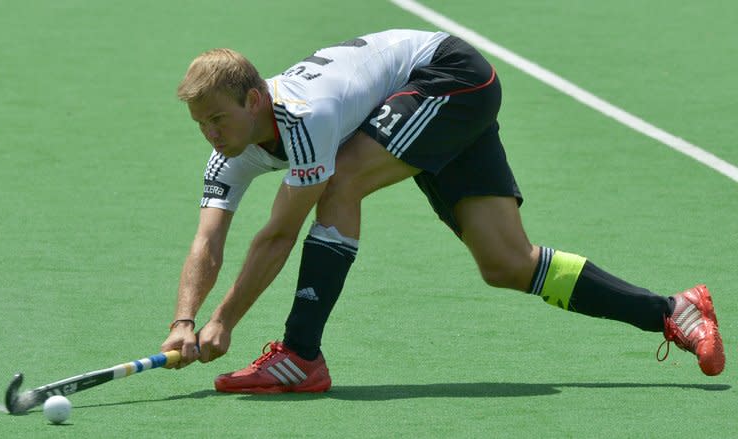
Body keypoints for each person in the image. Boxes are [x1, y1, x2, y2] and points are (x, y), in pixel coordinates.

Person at [160, 29, 725, 393]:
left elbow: (278, 234)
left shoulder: (305, 119)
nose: (211, 136)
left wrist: (224, 322)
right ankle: (674, 310)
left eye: (218, 121)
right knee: (506, 262)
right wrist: (185, 320)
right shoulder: (228, 153)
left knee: (341, 182)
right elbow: (207, 241)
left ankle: (301, 356)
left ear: (255, 99)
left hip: (448, 75)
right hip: (409, 104)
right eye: (200, 126)